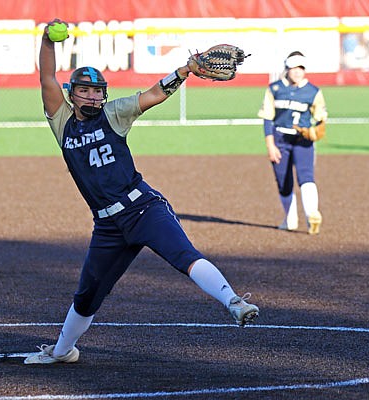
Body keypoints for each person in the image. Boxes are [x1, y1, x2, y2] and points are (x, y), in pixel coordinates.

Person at [24, 19, 259, 365]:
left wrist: (184, 70)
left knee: (184, 256)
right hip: (106, 226)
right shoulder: (62, 122)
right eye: (84, 90)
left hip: (143, 209)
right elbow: (46, 77)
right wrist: (47, 40)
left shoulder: (113, 114)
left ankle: (234, 302)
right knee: (88, 293)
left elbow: (153, 95)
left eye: (97, 90)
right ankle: (62, 351)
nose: (92, 96)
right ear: (70, 93)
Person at [258, 51, 327, 235]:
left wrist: (317, 128)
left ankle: (312, 214)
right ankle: (290, 218)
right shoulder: (275, 89)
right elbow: (267, 118)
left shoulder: (313, 91)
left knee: (306, 176)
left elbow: (321, 117)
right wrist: (270, 145)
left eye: (301, 68)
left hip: (302, 140)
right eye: (294, 68)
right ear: (287, 69)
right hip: (280, 139)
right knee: (283, 182)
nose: (297, 72)